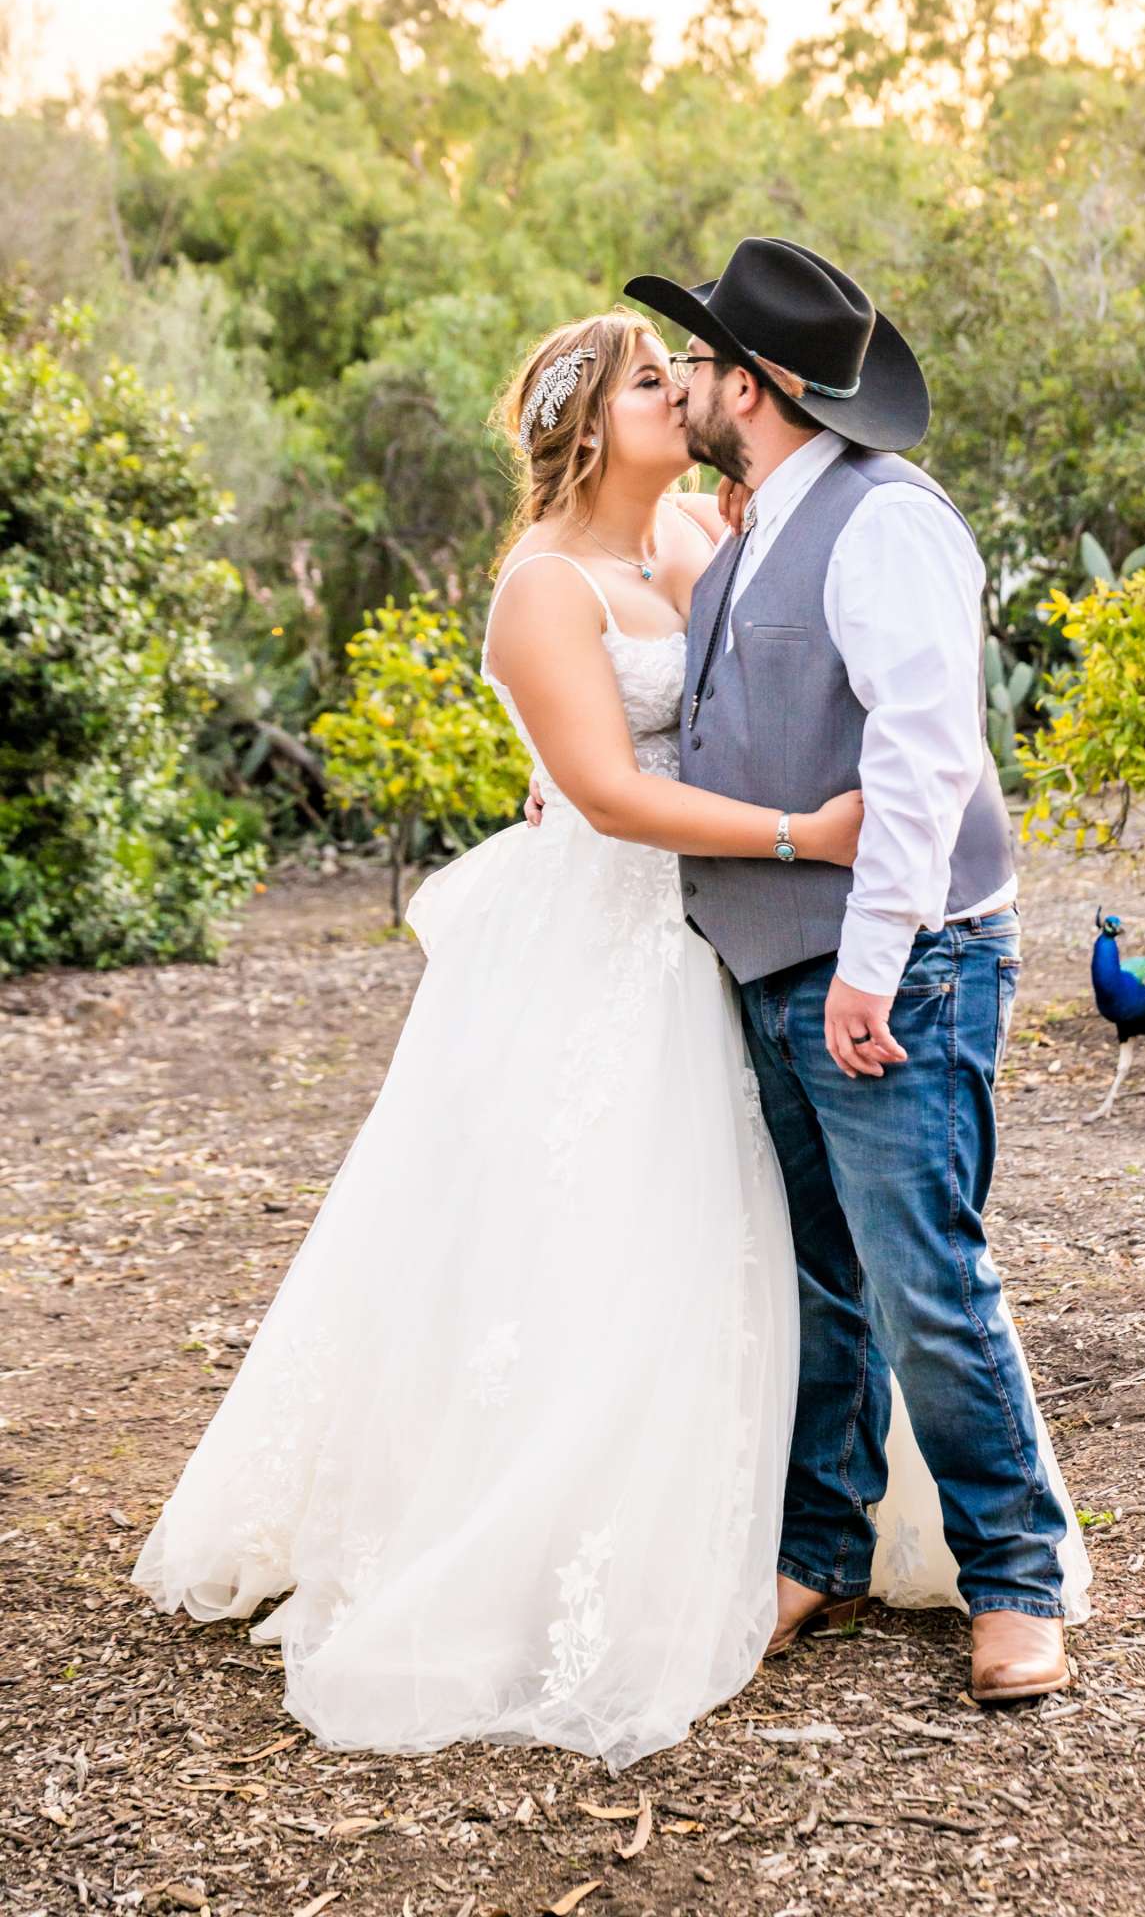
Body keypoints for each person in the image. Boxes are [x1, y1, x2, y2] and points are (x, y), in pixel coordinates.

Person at [133, 312, 869, 1769]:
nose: (694, 394)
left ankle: (790, 1509)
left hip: (713, 928)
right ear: (592, 427)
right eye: (660, 381)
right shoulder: (541, 589)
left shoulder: (685, 548)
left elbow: (747, 701)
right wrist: (803, 837)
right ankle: (548, 1528)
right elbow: (604, 790)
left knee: (755, 1224)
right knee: (591, 1231)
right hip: (604, 934)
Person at [623, 236, 1091, 1703]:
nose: (684, 382)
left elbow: (923, 755)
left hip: (901, 961)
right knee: (826, 1277)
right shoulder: (760, 516)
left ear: (751, 385)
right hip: (775, 956)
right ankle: (818, 1548)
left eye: (698, 362)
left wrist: (874, 966)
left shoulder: (887, 521)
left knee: (922, 1282)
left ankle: (1017, 1582)